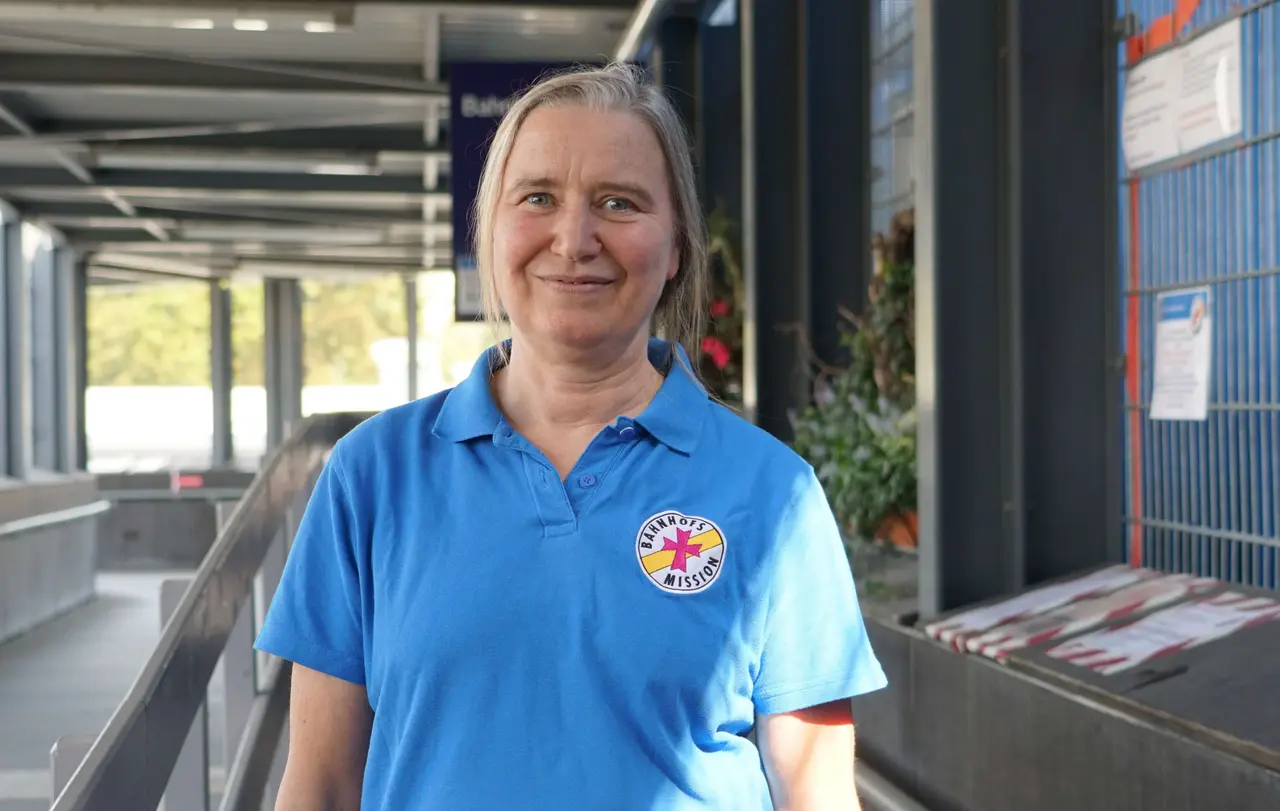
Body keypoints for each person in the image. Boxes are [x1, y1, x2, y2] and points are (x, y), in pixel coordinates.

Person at [256, 61, 887, 811]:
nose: (574, 238)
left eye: (619, 203)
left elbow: (818, 793)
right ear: (491, 232)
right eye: (538, 198)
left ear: (677, 247)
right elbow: (320, 786)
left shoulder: (772, 492)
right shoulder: (372, 476)